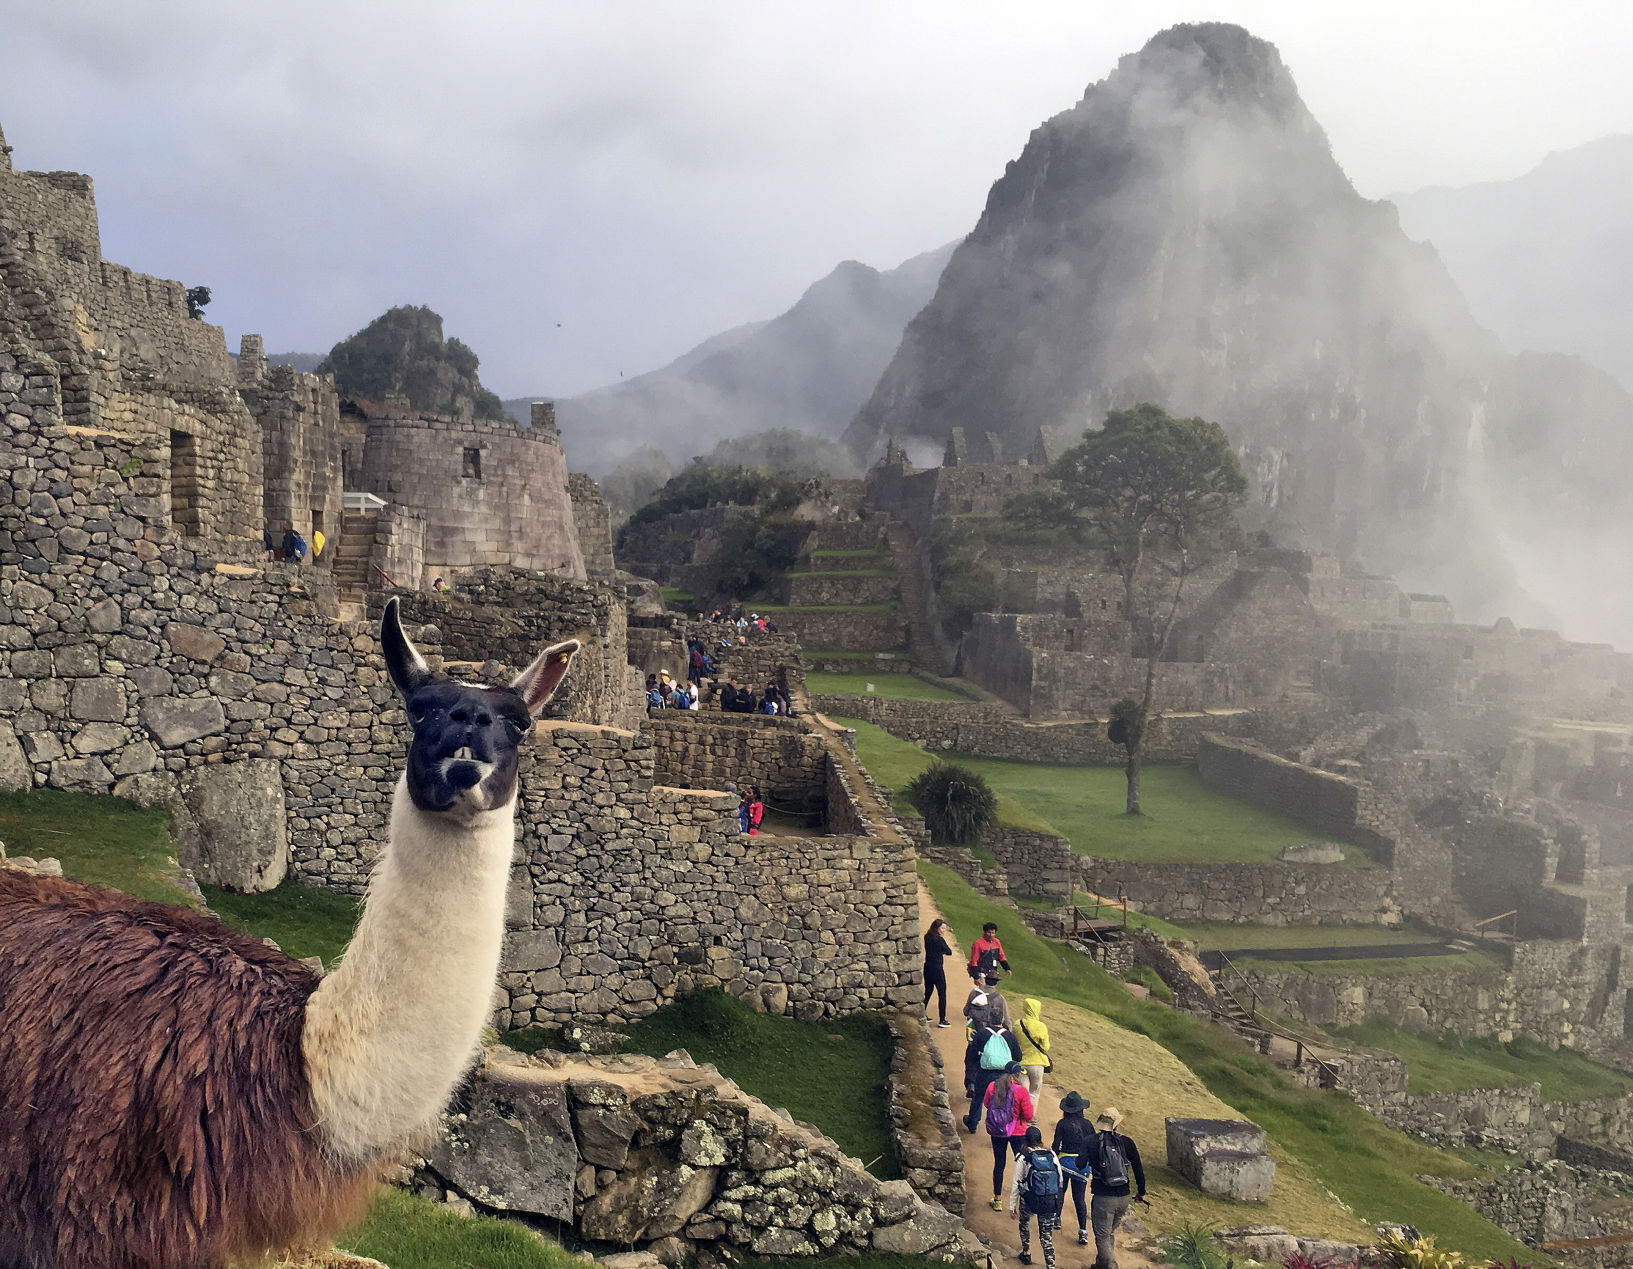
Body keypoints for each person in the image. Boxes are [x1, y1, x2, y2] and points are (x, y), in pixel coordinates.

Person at [1084, 1107, 1146, 1269]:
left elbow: (1079, 1163)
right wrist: (1141, 1192)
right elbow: (1139, 1169)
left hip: (1103, 1197)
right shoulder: (1127, 1142)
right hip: (1124, 1196)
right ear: (1116, 1124)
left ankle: (1111, 1265)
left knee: (1102, 1236)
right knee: (1109, 1232)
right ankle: (1100, 1264)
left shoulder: (1091, 1141)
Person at [1008, 1124, 1065, 1269]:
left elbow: (1016, 1182)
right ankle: (1050, 1265)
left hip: (1030, 1200)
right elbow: (1060, 1179)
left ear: (1025, 1140)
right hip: (1049, 1201)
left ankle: (1026, 1252)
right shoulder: (1051, 1154)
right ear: (1040, 1139)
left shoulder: (1023, 1157)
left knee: (1024, 1223)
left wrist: (1012, 1206)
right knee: (1046, 1237)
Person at [979, 1064, 1034, 1211]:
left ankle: (997, 1199)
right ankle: (1024, 1200)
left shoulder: (992, 1086)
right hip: (1018, 1132)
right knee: (1023, 1164)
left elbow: (986, 1104)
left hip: (997, 1131)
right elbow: (1029, 1115)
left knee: (999, 1163)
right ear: (1017, 1075)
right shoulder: (1021, 1091)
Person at [1052, 1091, 1096, 1246]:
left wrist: (1055, 1159)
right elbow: (1094, 1144)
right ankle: (1083, 1231)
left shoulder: (1062, 1124)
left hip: (1064, 1162)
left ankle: (1056, 1218)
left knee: (1060, 1191)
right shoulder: (1088, 1124)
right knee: (1079, 1199)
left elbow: (1055, 1147)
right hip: (1082, 1165)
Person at [1016, 998, 1051, 1099]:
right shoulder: (1041, 1027)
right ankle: (1030, 1114)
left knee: (1021, 1094)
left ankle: (1018, 1114)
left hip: (1021, 1062)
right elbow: (1045, 1047)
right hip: (1037, 1064)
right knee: (1034, 1094)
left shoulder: (1018, 1024)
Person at [923, 918, 953, 1027]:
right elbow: (949, 951)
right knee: (942, 992)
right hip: (937, 968)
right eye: (942, 928)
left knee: (928, 990)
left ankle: (922, 1013)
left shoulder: (927, 937)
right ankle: (942, 1019)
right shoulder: (939, 940)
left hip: (927, 967)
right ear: (937, 928)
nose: (944, 930)